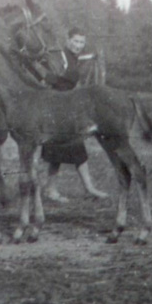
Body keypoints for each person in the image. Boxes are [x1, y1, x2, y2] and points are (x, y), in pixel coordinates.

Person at [40, 27, 108, 202]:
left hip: (68, 106)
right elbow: (49, 76)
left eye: (82, 42)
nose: (79, 45)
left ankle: (86, 187)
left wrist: (91, 57)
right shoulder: (60, 56)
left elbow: (76, 60)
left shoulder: (73, 56)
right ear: (68, 40)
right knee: (61, 149)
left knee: (73, 147)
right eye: (76, 41)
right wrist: (59, 83)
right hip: (57, 107)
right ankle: (53, 189)